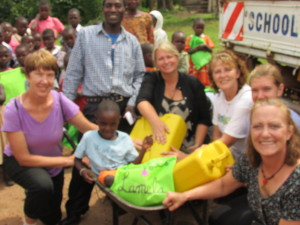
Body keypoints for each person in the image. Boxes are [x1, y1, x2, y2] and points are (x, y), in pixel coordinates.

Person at [61, 0, 145, 224]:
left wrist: (132, 103)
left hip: (123, 109)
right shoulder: (87, 36)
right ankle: (75, 212)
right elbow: (73, 73)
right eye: (108, 5)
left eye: (118, 5)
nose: (113, 10)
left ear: (124, 9)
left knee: (123, 161)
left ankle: (122, 205)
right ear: (103, 8)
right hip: (94, 108)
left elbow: (139, 75)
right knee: (86, 160)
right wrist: (65, 109)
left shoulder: (133, 42)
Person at [163, 98, 300, 225]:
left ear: (289, 132)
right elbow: (223, 185)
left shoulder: (296, 181)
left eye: (274, 126)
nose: (264, 134)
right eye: (257, 126)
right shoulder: (251, 160)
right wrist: (184, 196)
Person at [2, 49, 97, 225]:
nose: (44, 81)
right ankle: (28, 222)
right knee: (41, 186)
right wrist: (69, 161)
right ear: (28, 76)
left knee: (51, 218)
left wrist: (123, 138)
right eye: (38, 74)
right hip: (19, 162)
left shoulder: (59, 100)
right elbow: (24, 158)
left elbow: (88, 127)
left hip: (53, 163)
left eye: (50, 75)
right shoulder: (13, 109)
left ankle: (37, 197)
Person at [136, 40, 211, 152]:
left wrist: (197, 145)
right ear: (156, 63)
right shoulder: (151, 78)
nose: (166, 62)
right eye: (161, 59)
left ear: (177, 58)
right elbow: (142, 102)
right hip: (160, 144)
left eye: (169, 57)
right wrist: (156, 122)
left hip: (188, 145)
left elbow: (204, 119)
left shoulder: (193, 83)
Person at [74, 99, 152, 188]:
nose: (108, 128)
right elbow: (77, 159)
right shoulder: (89, 137)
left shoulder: (125, 138)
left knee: (148, 172)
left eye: (113, 124)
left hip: (124, 174)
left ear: (118, 121)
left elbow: (134, 164)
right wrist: (82, 170)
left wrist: (143, 150)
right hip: (105, 176)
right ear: (96, 119)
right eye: (103, 124)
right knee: (110, 179)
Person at [208, 49, 253, 159]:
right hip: (231, 154)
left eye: (227, 70)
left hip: (250, 158)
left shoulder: (246, 98)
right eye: (217, 72)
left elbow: (226, 142)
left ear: (237, 73)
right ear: (212, 76)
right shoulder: (219, 96)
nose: (223, 75)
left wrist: (189, 156)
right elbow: (216, 135)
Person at [249, 63, 300, 131]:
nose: (260, 96)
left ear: (280, 89)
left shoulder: (293, 122)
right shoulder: (251, 116)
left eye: (266, 89)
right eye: (255, 90)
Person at [185, 18, 214, 86]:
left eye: (202, 28)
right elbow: (188, 51)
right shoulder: (190, 38)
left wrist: (205, 46)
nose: (200, 30)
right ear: (193, 28)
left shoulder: (206, 38)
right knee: (194, 80)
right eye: (198, 27)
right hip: (194, 64)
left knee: (204, 79)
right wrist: (198, 48)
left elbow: (211, 50)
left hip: (204, 64)